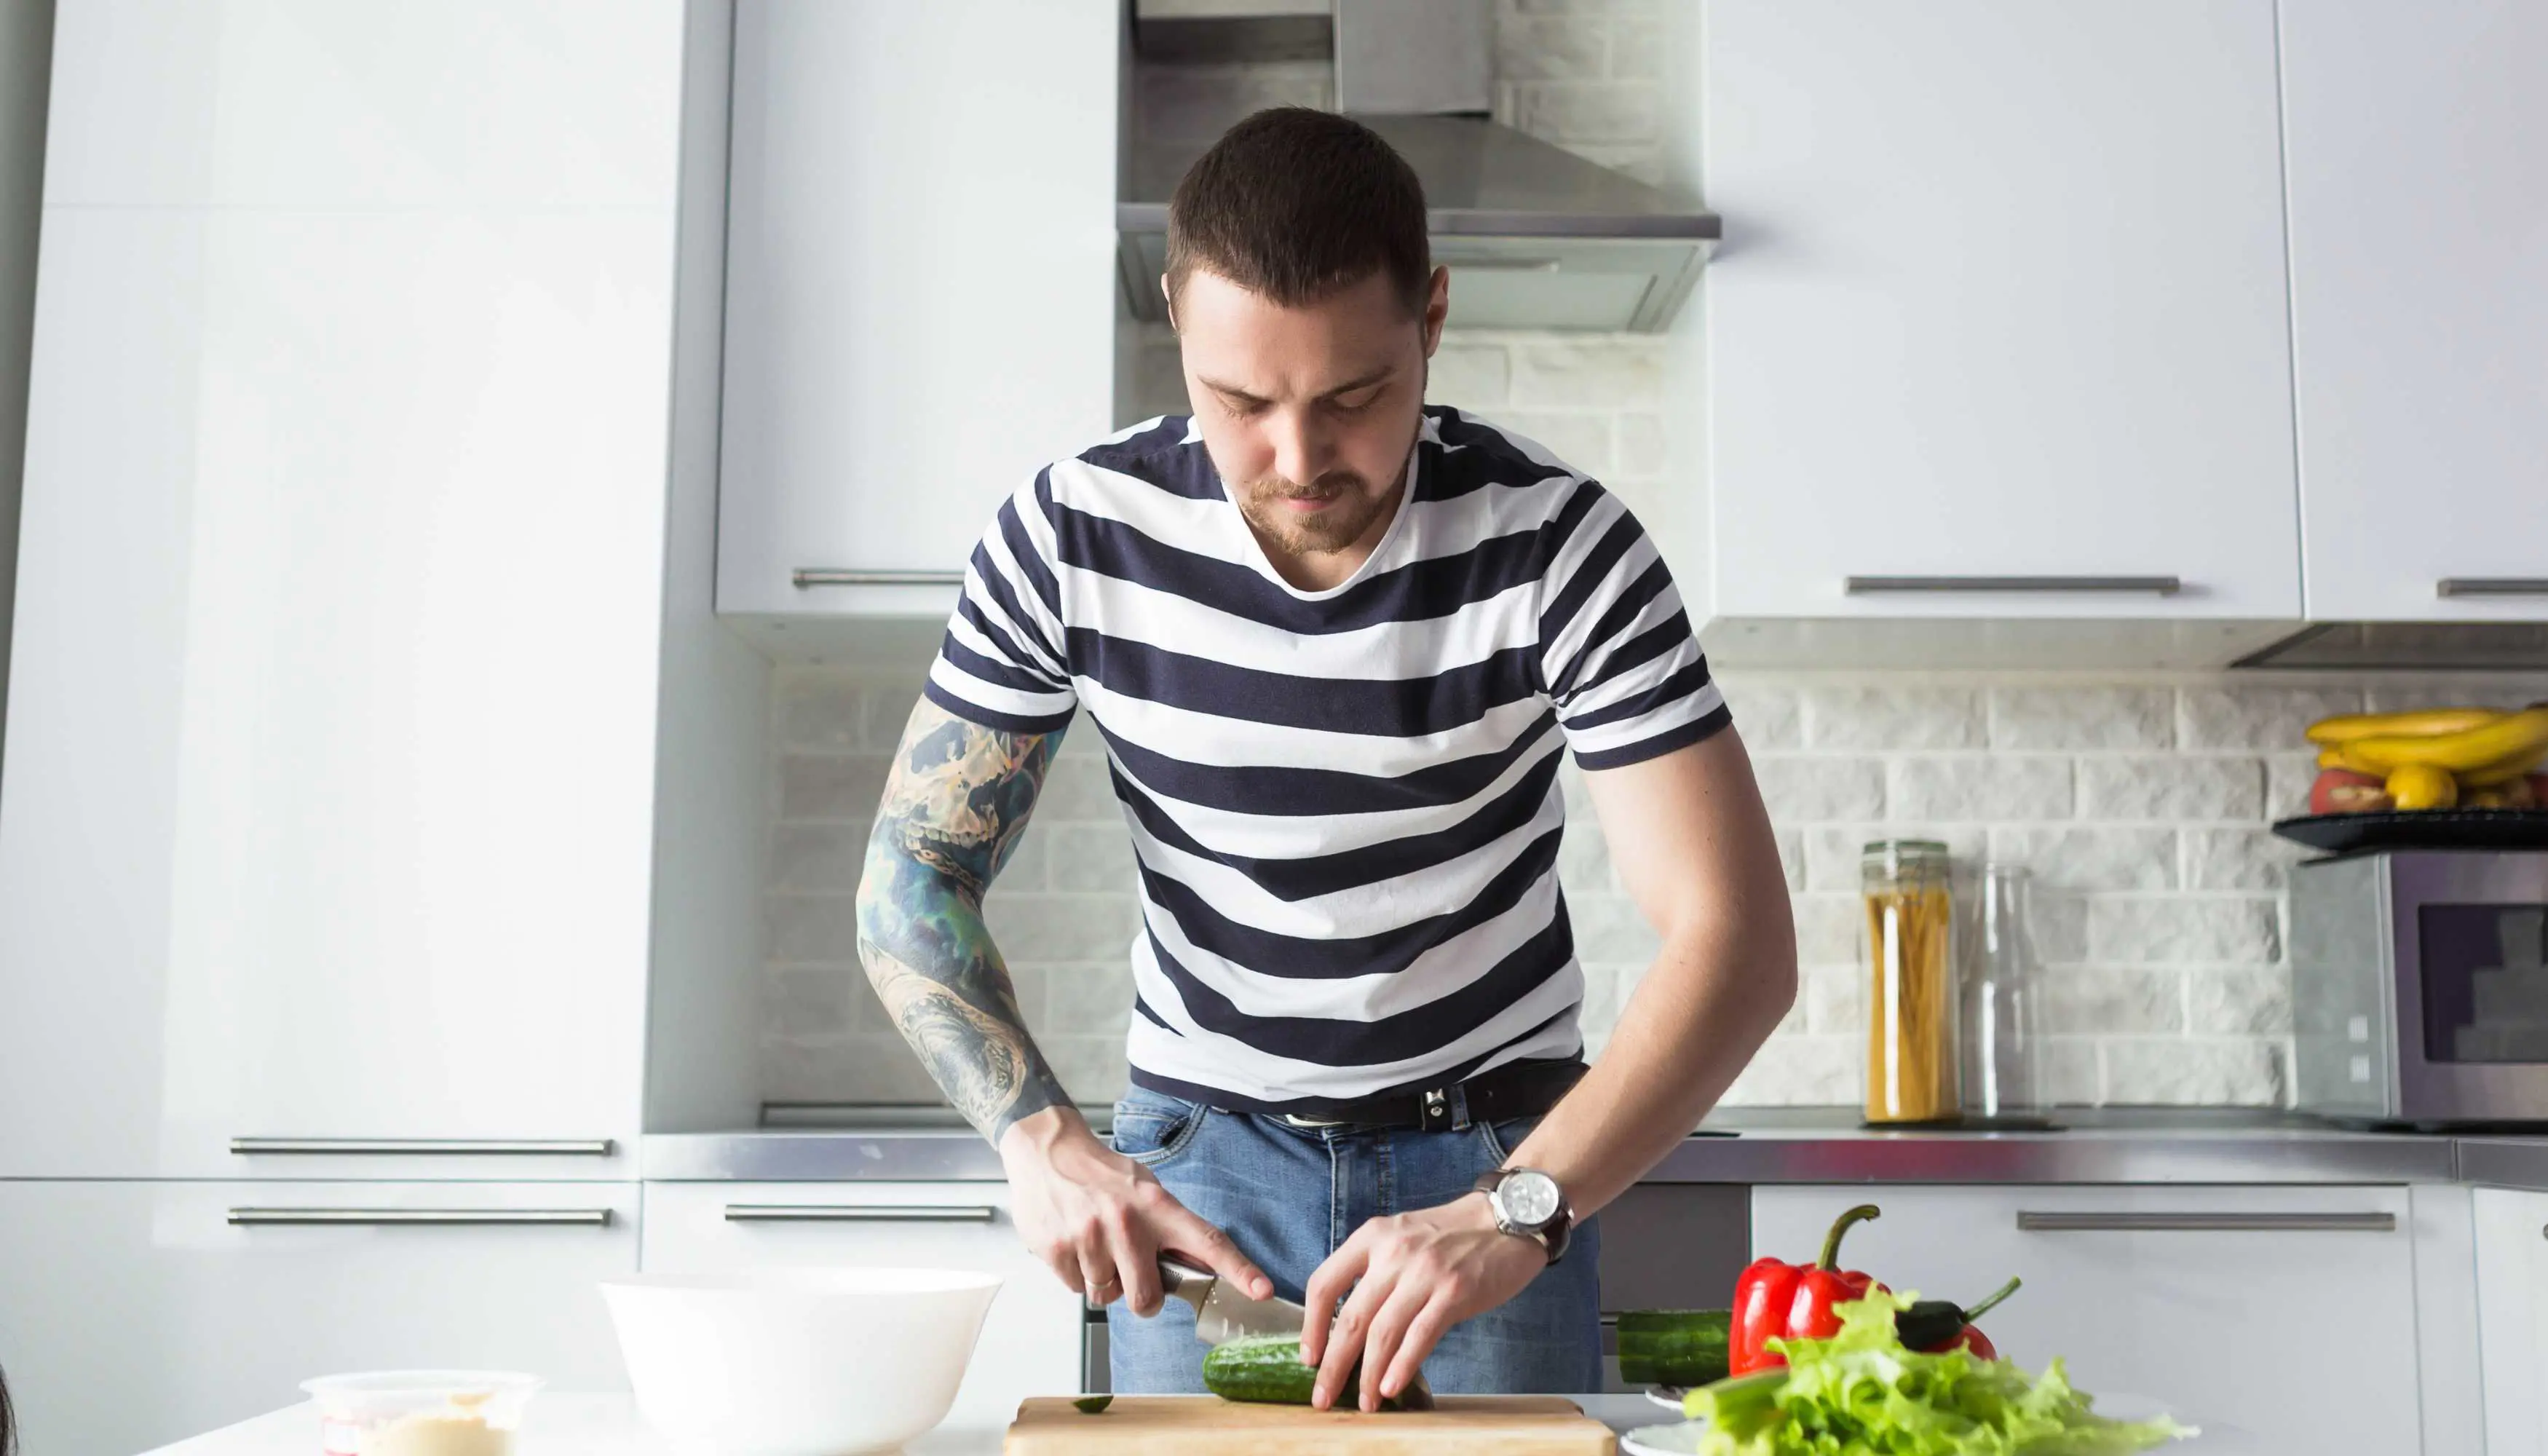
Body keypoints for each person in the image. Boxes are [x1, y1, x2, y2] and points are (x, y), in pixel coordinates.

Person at [854, 106, 1795, 1410]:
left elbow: (1735, 939)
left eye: (1356, 397)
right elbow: (911, 878)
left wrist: (1519, 1207)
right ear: (1178, 316)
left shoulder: (1561, 547)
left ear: (1435, 319)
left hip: (1494, 1163)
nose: (1298, 463)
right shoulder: (1071, 536)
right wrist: (1042, 1141)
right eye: (1240, 401)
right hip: (1201, 1178)